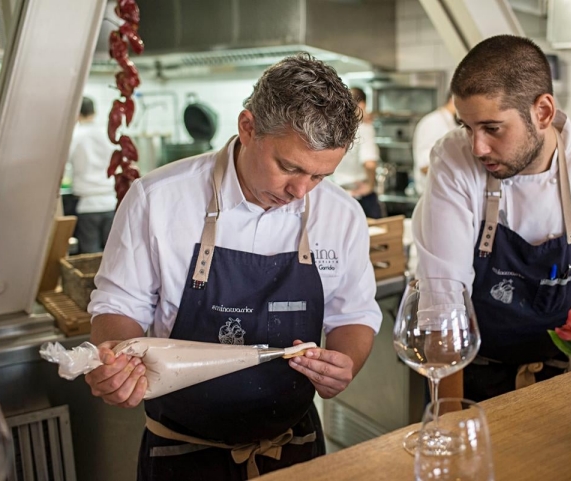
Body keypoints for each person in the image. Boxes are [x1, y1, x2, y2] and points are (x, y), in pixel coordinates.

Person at [84, 53, 382, 480]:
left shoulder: (342, 214)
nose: (301, 191)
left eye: (319, 177)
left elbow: (353, 314)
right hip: (182, 452)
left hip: (294, 448)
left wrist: (344, 363)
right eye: (290, 167)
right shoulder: (157, 199)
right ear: (248, 128)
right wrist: (113, 362)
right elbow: (119, 307)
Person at [412, 35, 571, 402]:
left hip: (567, 378)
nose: (477, 147)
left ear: (543, 112)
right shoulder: (453, 158)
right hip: (470, 377)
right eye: (468, 127)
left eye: (492, 128)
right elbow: (443, 302)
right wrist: (450, 419)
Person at [68, 96, 117, 253]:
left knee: (91, 256)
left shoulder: (75, 136)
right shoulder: (108, 134)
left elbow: (64, 161)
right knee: (114, 255)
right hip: (111, 201)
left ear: (77, 114)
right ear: (94, 112)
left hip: (87, 205)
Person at [330, 87, 382, 218]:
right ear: (362, 104)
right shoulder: (364, 128)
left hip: (335, 194)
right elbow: (369, 162)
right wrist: (370, 185)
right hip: (360, 196)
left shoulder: (333, 128)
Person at [412, 92, 458, 195]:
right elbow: (425, 166)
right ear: (454, 99)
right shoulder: (433, 122)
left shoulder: (450, 122)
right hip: (433, 194)